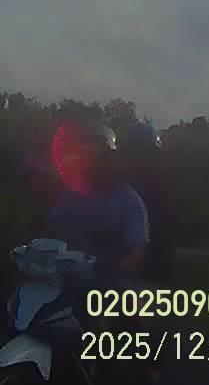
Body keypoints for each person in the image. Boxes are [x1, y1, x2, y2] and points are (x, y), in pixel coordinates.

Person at [47, 120, 150, 286]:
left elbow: (137, 249)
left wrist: (111, 270)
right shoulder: (72, 192)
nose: (92, 164)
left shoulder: (128, 200)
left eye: (98, 158)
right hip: (65, 277)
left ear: (110, 160)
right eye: (86, 157)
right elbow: (53, 224)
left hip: (110, 282)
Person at [122, 122, 175, 284]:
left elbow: (162, 237)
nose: (139, 159)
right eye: (135, 153)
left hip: (149, 270)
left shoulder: (160, 189)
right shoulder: (115, 184)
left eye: (144, 153)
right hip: (116, 267)